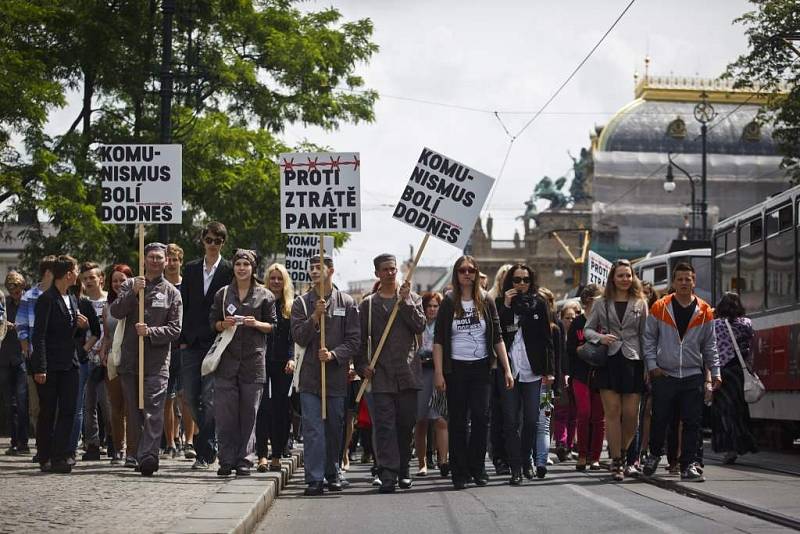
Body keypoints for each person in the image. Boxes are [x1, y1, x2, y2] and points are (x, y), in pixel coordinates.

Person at [433, 255, 514, 490]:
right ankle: (459, 471)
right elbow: (438, 340)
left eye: (471, 270)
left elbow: (497, 337)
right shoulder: (449, 301)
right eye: (462, 270)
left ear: (477, 273)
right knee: (458, 421)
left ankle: (477, 468)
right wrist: (439, 373)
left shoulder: (486, 300)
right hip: (455, 369)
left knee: (481, 418)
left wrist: (506, 369)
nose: (467, 274)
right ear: (456, 274)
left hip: (481, 368)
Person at [643, 262, 721, 483]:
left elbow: (710, 345)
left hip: (692, 374)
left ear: (694, 281)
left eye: (688, 279)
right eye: (680, 279)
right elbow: (649, 339)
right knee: (660, 419)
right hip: (664, 374)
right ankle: (654, 454)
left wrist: (715, 372)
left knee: (692, 422)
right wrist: (652, 366)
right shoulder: (660, 306)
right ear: (674, 282)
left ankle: (688, 465)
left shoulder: (705, 310)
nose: (684, 283)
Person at [110, 243, 182, 476]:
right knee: (134, 411)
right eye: (151, 257)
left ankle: (149, 456)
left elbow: (175, 330)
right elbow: (116, 312)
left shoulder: (172, 292)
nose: (155, 261)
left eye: (159, 258)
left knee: (153, 409)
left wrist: (151, 332)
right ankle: (135, 452)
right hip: (131, 360)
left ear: (166, 261)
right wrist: (132, 293)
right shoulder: (130, 285)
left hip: (157, 362)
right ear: (144, 259)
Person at [356, 253, 426, 493]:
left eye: (393, 269)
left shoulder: (412, 298)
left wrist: (405, 302)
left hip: (407, 374)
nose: (390, 273)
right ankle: (387, 473)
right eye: (385, 270)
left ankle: (404, 469)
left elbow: (420, 326)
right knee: (384, 426)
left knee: (405, 425)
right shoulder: (368, 304)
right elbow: (358, 339)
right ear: (377, 273)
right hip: (381, 374)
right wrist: (361, 365)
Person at [291, 254, 359, 496]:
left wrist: (333, 355)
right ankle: (314, 477)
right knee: (313, 429)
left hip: (335, 378)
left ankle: (333, 472)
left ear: (331, 271)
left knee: (333, 428)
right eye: (311, 268)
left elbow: (354, 341)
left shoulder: (347, 302)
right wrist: (314, 317)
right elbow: (298, 336)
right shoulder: (301, 303)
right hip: (310, 378)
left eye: (320, 267)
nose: (315, 271)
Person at [210, 249, 276, 477]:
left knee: (249, 413)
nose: (241, 268)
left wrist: (256, 323)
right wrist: (223, 324)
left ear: (253, 268)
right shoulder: (222, 294)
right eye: (238, 264)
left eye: (246, 265)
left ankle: (244, 461)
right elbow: (212, 323)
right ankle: (225, 460)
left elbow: (272, 326)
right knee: (226, 414)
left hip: (253, 362)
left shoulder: (264, 295)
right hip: (226, 362)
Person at [584, 259, 648, 482]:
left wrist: (649, 366)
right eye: (620, 275)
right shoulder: (601, 302)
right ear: (613, 278)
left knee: (631, 416)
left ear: (633, 277)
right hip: (609, 361)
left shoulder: (640, 302)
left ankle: (620, 451)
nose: (625, 279)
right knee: (612, 413)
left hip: (634, 360)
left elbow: (646, 336)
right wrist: (601, 337)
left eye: (628, 275)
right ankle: (617, 461)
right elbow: (588, 329)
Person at [180, 221, 233, 468]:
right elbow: (185, 306)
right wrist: (182, 339)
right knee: (190, 396)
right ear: (202, 240)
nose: (212, 245)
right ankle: (210, 441)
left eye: (217, 241)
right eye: (209, 239)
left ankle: (205, 450)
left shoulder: (229, 270)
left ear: (223, 243)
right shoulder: (190, 269)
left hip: (216, 342)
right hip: (191, 343)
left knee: (210, 399)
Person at [496, 264, 554, 485]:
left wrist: (549, 371)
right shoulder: (501, 304)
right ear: (509, 282)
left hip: (532, 371)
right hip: (509, 370)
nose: (521, 284)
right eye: (517, 280)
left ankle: (526, 459)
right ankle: (516, 467)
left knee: (531, 420)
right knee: (510, 421)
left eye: (525, 280)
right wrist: (508, 306)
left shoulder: (538, 304)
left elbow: (548, 340)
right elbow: (496, 331)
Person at [30, 255, 86, 473]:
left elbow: (69, 333)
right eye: (76, 270)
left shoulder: (71, 297)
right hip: (50, 365)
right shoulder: (47, 299)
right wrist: (40, 367)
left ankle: (60, 455)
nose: (77, 274)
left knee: (69, 411)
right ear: (69, 273)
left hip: (70, 364)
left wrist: (81, 326)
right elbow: (39, 335)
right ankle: (45, 455)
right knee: (48, 411)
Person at [709, 292, 758, 464]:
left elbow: (711, 347)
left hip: (722, 371)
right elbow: (751, 344)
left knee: (724, 410)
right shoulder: (746, 323)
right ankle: (742, 443)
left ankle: (729, 447)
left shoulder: (715, 325)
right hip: (739, 371)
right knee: (739, 409)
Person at [256, 263, 295, 473]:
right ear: (267, 280)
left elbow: (293, 337)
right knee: (262, 409)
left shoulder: (290, 305)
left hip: (283, 364)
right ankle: (261, 454)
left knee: (281, 409)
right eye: (273, 278)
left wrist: (292, 358)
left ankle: (277, 454)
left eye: (280, 278)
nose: (276, 282)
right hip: (260, 361)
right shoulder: (260, 300)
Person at [17, 255, 57, 460]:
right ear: (48, 273)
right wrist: (27, 351)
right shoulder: (29, 296)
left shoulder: (62, 295)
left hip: (57, 358)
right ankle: (42, 445)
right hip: (35, 358)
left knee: (56, 405)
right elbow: (22, 326)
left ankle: (53, 446)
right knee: (36, 405)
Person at [98, 264, 135, 466]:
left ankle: (132, 449)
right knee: (116, 406)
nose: (119, 284)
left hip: (131, 358)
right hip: (113, 359)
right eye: (115, 281)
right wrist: (103, 349)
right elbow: (107, 335)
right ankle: (117, 448)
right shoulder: (107, 306)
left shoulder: (136, 301)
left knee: (132, 406)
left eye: (122, 280)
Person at [567, 284, 605, 471]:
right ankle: (582, 454)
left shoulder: (604, 322)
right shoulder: (578, 323)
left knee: (598, 417)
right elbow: (570, 349)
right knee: (584, 413)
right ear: (589, 301)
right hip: (580, 375)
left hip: (601, 375)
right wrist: (581, 350)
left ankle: (595, 457)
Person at [413, 291, 448, 478]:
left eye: (436, 306)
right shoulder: (417, 325)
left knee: (441, 419)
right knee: (421, 421)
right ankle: (422, 463)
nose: (432, 309)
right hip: (420, 372)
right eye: (429, 306)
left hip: (438, 372)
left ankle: (443, 461)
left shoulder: (444, 325)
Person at [78, 262, 108, 462]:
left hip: (108, 358)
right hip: (86, 358)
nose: (89, 281)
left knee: (108, 404)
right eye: (85, 278)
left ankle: (114, 442)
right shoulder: (79, 302)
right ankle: (93, 444)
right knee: (88, 405)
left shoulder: (110, 300)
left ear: (101, 279)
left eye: (92, 278)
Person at [533, 287, 562, 477]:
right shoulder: (524, 325)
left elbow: (558, 359)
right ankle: (529, 459)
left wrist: (556, 384)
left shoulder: (554, 329)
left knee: (543, 422)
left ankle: (541, 460)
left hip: (545, 385)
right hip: (527, 382)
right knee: (529, 422)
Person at [163, 243, 188, 458]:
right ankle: (170, 442)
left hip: (185, 346)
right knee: (167, 397)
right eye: (167, 259)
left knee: (186, 395)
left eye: (174, 259)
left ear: (180, 261)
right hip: (163, 348)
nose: (171, 263)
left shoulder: (186, 285)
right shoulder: (158, 286)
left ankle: (189, 441)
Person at [1, 272, 29, 456]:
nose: (15, 292)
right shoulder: (5, 305)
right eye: (11, 289)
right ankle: (14, 441)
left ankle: (24, 441)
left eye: (17, 288)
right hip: (4, 358)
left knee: (22, 401)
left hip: (22, 359)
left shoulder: (28, 305)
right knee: (8, 403)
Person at [553, 300, 580, 461]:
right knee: (561, 412)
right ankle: (561, 444)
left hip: (576, 377)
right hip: (561, 378)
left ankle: (569, 446)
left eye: (574, 316)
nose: (571, 320)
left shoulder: (579, 334)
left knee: (574, 414)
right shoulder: (558, 334)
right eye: (568, 317)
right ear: (561, 318)